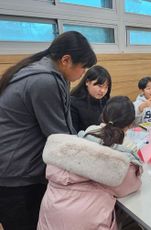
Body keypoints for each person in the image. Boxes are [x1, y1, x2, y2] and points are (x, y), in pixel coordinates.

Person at [0, 31, 96, 230]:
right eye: (83, 67)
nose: (83, 73)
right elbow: (60, 137)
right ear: (66, 60)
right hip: (16, 176)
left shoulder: (41, 70)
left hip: (13, 169)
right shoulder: (45, 81)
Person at [37, 96, 142, 230]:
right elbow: (132, 185)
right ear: (129, 125)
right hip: (87, 221)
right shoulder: (122, 157)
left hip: (50, 213)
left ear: (103, 115)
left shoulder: (83, 135)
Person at [70, 65, 112, 132]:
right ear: (87, 82)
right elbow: (73, 132)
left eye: (106, 87)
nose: (103, 91)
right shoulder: (73, 103)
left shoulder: (105, 100)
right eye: (100, 86)